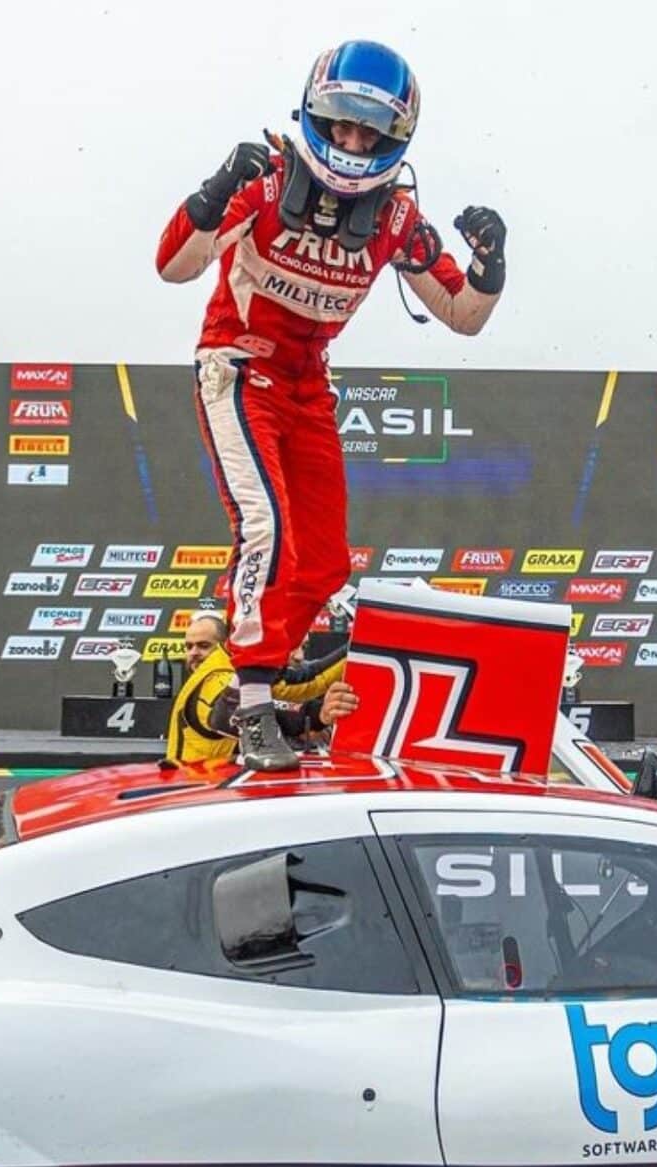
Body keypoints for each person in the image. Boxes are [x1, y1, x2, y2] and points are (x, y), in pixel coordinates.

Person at [156, 41, 505, 770]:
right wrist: (216, 189)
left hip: (309, 383)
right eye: (341, 123)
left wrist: (490, 261)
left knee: (322, 563)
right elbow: (173, 265)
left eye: (369, 130)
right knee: (268, 526)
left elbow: (464, 315)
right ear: (315, 113)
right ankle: (250, 705)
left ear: (394, 138)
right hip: (239, 364)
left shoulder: (396, 215)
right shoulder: (268, 176)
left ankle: (267, 687)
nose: (351, 142)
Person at [162, 612, 357, 765]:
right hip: (195, 797)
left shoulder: (250, 667)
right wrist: (317, 715)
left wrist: (362, 644)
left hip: (222, 794)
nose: (295, 654)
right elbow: (239, 714)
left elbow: (310, 679)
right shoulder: (215, 675)